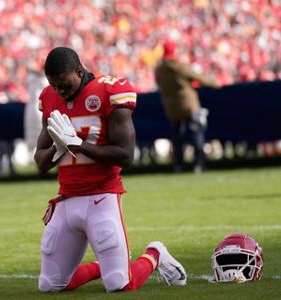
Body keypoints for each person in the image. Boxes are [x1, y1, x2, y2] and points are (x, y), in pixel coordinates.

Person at [34, 47, 187, 293]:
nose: (60, 91)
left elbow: (126, 156)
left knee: (120, 284)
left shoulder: (109, 91)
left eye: (64, 84)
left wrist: (78, 144)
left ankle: (154, 254)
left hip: (101, 197)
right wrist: (58, 148)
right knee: (50, 286)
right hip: (66, 199)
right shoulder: (50, 98)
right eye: (54, 86)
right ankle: (101, 265)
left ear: (79, 71)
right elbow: (40, 162)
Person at [154, 40, 220, 173]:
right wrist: (215, 82)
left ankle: (178, 165)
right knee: (196, 134)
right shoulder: (180, 67)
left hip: (172, 108)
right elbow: (201, 79)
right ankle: (198, 164)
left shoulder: (159, 70)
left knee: (177, 138)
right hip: (189, 105)